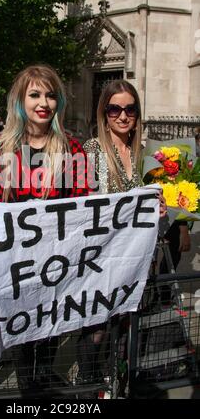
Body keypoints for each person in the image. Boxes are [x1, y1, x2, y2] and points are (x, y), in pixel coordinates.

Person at [0, 64, 89, 394]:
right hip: (14, 267)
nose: (43, 102)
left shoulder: (72, 149)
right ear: (20, 101)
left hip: (56, 265)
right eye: (35, 94)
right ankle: (29, 393)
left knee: (48, 341)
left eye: (51, 95)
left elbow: (84, 205)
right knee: (23, 348)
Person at [77, 79, 166, 393]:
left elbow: (158, 201)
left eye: (130, 108)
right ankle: (89, 389)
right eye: (115, 108)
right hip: (100, 261)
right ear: (104, 112)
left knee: (127, 330)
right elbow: (84, 204)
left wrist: (161, 209)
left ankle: (117, 386)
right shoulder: (93, 151)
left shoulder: (148, 154)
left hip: (138, 261)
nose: (123, 115)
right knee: (97, 331)